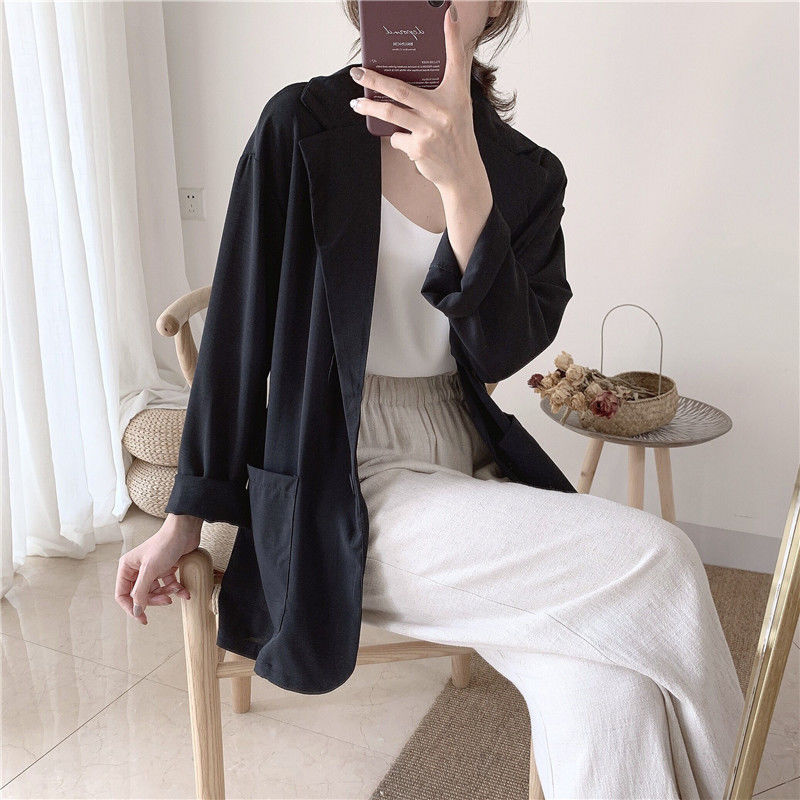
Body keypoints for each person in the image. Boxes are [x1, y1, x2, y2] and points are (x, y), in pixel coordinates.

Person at [116, 2, 744, 797]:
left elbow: (502, 352)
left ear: (497, 6)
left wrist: (464, 187)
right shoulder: (300, 127)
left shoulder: (526, 173)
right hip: (341, 477)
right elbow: (237, 333)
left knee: (610, 695)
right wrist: (185, 517)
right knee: (663, 559)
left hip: (469, 464)